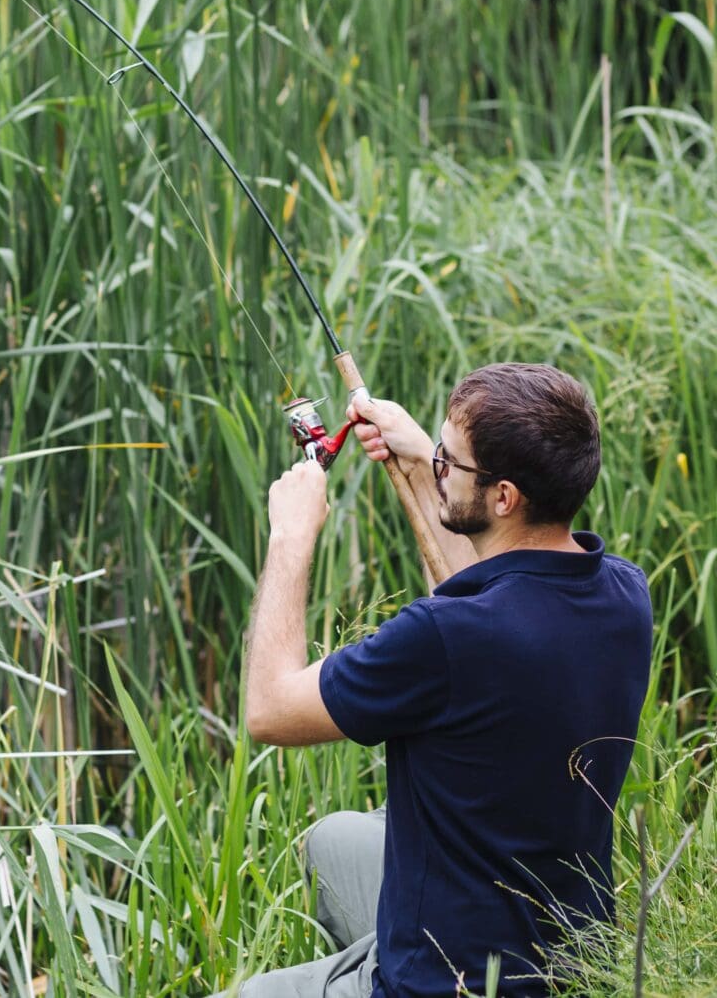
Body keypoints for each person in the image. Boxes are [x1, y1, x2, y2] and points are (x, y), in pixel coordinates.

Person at [218, 363, 653, 997]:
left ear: (504, 497)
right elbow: (485, 598)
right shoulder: (623, 594)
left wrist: (290, 536)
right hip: (568, 957)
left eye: (451, 458)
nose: (439, 461)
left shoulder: (445, 639)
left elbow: (269, 710)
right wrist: (424, 464)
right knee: (333, 839)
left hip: (449, 983)